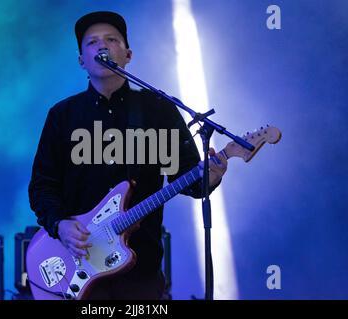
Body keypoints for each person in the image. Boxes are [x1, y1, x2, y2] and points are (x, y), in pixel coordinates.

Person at [28, 11, 228, 300]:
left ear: (128, 54)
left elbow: (189, 180)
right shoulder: (63, 116)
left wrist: (210, 177)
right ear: (81, 60)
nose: (102, 46)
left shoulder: (159, 110)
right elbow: (42, 186)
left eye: (112, 39)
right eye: (92, 42)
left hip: (140, 269)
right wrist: (60, 224)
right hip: (77, 260)